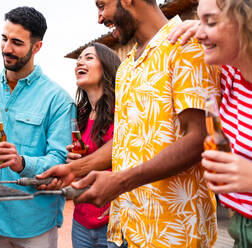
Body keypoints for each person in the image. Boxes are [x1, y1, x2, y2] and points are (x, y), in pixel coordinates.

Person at [38, 0, 221, 247]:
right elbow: (124, 141)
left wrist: (121, 181)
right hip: (126, 230)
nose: (99, 18)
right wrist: (76, 169)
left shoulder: (186, 45)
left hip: (175, 234)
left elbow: (200, 138)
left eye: (102, 6)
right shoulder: (126, 69)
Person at [0, 6, 76, 248]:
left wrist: (22, 163)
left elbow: (61, 160)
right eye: (4, 39)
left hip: (34, 227)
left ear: (37, 47)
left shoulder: (58, 100)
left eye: (16, 42)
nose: (7, 48)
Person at [167, 0, 252, 246]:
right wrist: (205, 27)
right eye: (199, 19)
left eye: (211, 21)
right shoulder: (231, 73)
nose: (199, 33)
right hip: (240, 230)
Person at [70, 42, 120, 248]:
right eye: (79, 58)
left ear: (107, 67)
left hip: (113, 222)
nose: (80, 61)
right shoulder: (78, 116)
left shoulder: (123, 112)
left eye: (89, 57)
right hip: (81, 220)